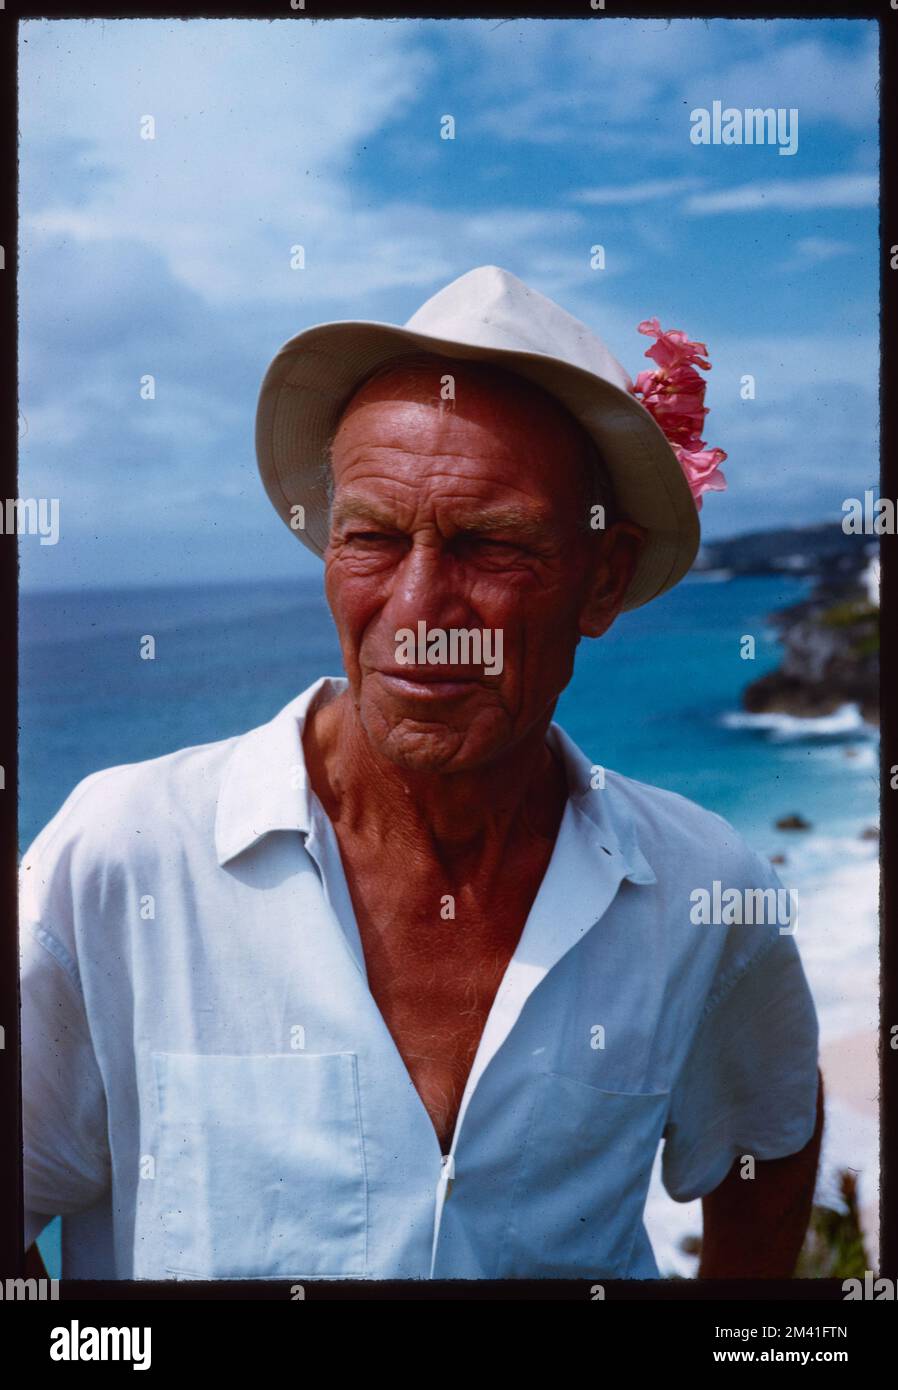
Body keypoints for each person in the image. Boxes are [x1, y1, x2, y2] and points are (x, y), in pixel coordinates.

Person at [21, 266, 822, 1281]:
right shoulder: (122, 857)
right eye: (371, 536)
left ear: (603, 577)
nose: (417, 608)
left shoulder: (706, 893)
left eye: (491, 544)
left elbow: (764, 1141)